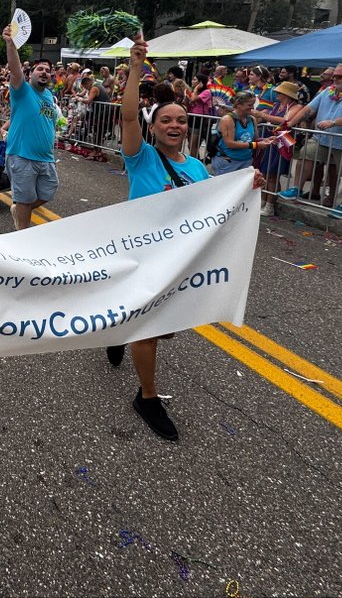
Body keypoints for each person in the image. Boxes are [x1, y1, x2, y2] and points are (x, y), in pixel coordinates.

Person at [110, 34, 265, 441]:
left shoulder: (197, 168)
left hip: (177, 260)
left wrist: (247, 187)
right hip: (140, 255)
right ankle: (147, 397)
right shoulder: (140, 156)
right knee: (152, 325)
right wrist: (135, 67)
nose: (175, 125)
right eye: (166, 120)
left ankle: (117, 331)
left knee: (162, 325)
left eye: (181, 120)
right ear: (154, 126)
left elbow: (214, 207)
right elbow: (128, 117)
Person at [279, 62, 342, 215]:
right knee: (307, 153)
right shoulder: (328, 91)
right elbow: (308, 108)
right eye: (333, 76)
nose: (334, 79)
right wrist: (291, 123)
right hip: (324, 138)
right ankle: (296, 188)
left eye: (338, 77)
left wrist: (334, 122)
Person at [2, 25, 59, 231]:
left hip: (45, 157)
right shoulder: (22, 90)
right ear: (30, 74)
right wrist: (11, 43)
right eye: (40, 69)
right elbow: (15, 69)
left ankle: (19, 210)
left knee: (47, 192)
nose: (44, 72)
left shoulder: (49, 97)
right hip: (22, 156)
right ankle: (22, 236)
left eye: (48, 71)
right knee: (25, 201)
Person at [252, 79, 304, 217]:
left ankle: (270, 205)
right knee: (265, 173)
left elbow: (286, 121)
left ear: (286, 94)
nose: (276, 94)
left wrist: (262, 115)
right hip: (271, 140)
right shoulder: (276, 105)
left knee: (273, 175)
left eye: (279, 92)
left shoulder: (296, 108)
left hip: (282, 143)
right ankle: (263, 201)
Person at [211, 92, 270, 176]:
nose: (252, 107)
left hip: (246, 162)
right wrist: (256, 145)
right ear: (238, 104)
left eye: (253, 104)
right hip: (227, 162)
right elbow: (230, 143)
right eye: (249, 105)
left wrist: (266, 140)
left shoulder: (252, 119)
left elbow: (254, 140)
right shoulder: (228, 119)